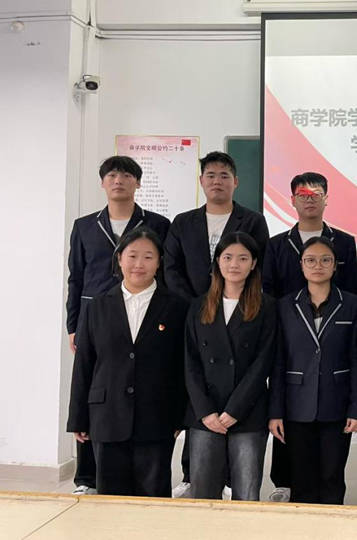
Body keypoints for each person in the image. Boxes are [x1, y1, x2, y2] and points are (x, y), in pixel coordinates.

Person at [164, 151, 270, 498]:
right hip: (197, 312)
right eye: (210, 175)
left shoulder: (253, 221)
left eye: (224, 175)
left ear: (235, 181)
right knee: (195, 386)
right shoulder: (183, 222)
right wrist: (200, 303)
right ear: (201, 181)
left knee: (245, 486)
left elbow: (263, 264)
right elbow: (171, 268)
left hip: (241, 313)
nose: (217, 181)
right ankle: (190, 475)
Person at [66, 156, 171, 495]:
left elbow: (167, 275)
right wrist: (72, 324)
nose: (118, 180)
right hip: (98, 316)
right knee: (99, 387)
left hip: (146, 312)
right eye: (111, 174)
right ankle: (86, 478)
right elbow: (76, 278)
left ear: (138, 182)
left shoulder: (157, 223)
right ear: (102, 182)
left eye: (126, 175)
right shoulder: (85, 225)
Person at [67, 228, 188, 498]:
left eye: (148, 257)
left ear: (159, 262)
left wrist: (181, 415)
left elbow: (182, 367)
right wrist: (78, 416)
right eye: (132, 256)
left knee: (153, 497)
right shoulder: (97, 306)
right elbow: (84, 364)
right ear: (119, 258)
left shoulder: (177, 307)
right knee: (111, 499)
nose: (139, 264)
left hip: (157, 416)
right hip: (106, 415)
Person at [262, 172, 357, 502]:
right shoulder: (277, 244)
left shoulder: (344, 242)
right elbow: (269, 292)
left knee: (332, 472)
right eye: (302, 194)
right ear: (292, 200)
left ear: (326, 199)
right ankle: (284, 486)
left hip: (333, 354)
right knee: (297, 463)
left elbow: (349, 289)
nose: (309, 200)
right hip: (293, 351)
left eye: (316, 194)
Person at [184, 232, 277, 501]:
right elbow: (190, 362)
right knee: (202, 492)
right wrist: (205, 411)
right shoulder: (199, 305)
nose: (234, 264)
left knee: (246, 494)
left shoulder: (267, 306)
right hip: (206, 414)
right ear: (217, 261)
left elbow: (263, 362)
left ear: (254, 263)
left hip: (248, 412)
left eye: (243, 258)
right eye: (227, 257)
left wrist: (235, 409)